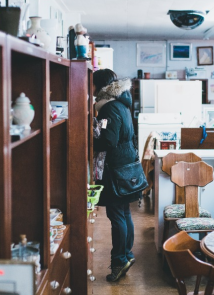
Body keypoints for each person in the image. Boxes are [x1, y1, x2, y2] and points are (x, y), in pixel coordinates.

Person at [93, 69, 141, 282]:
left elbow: (108, 141)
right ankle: (127, 254)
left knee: (117, 215)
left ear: (99, 86)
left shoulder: (108, 108)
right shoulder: (121, 103)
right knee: (124, 213)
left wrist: (88, 141)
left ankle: (119, 261)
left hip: (116, 168)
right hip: (126, 165)